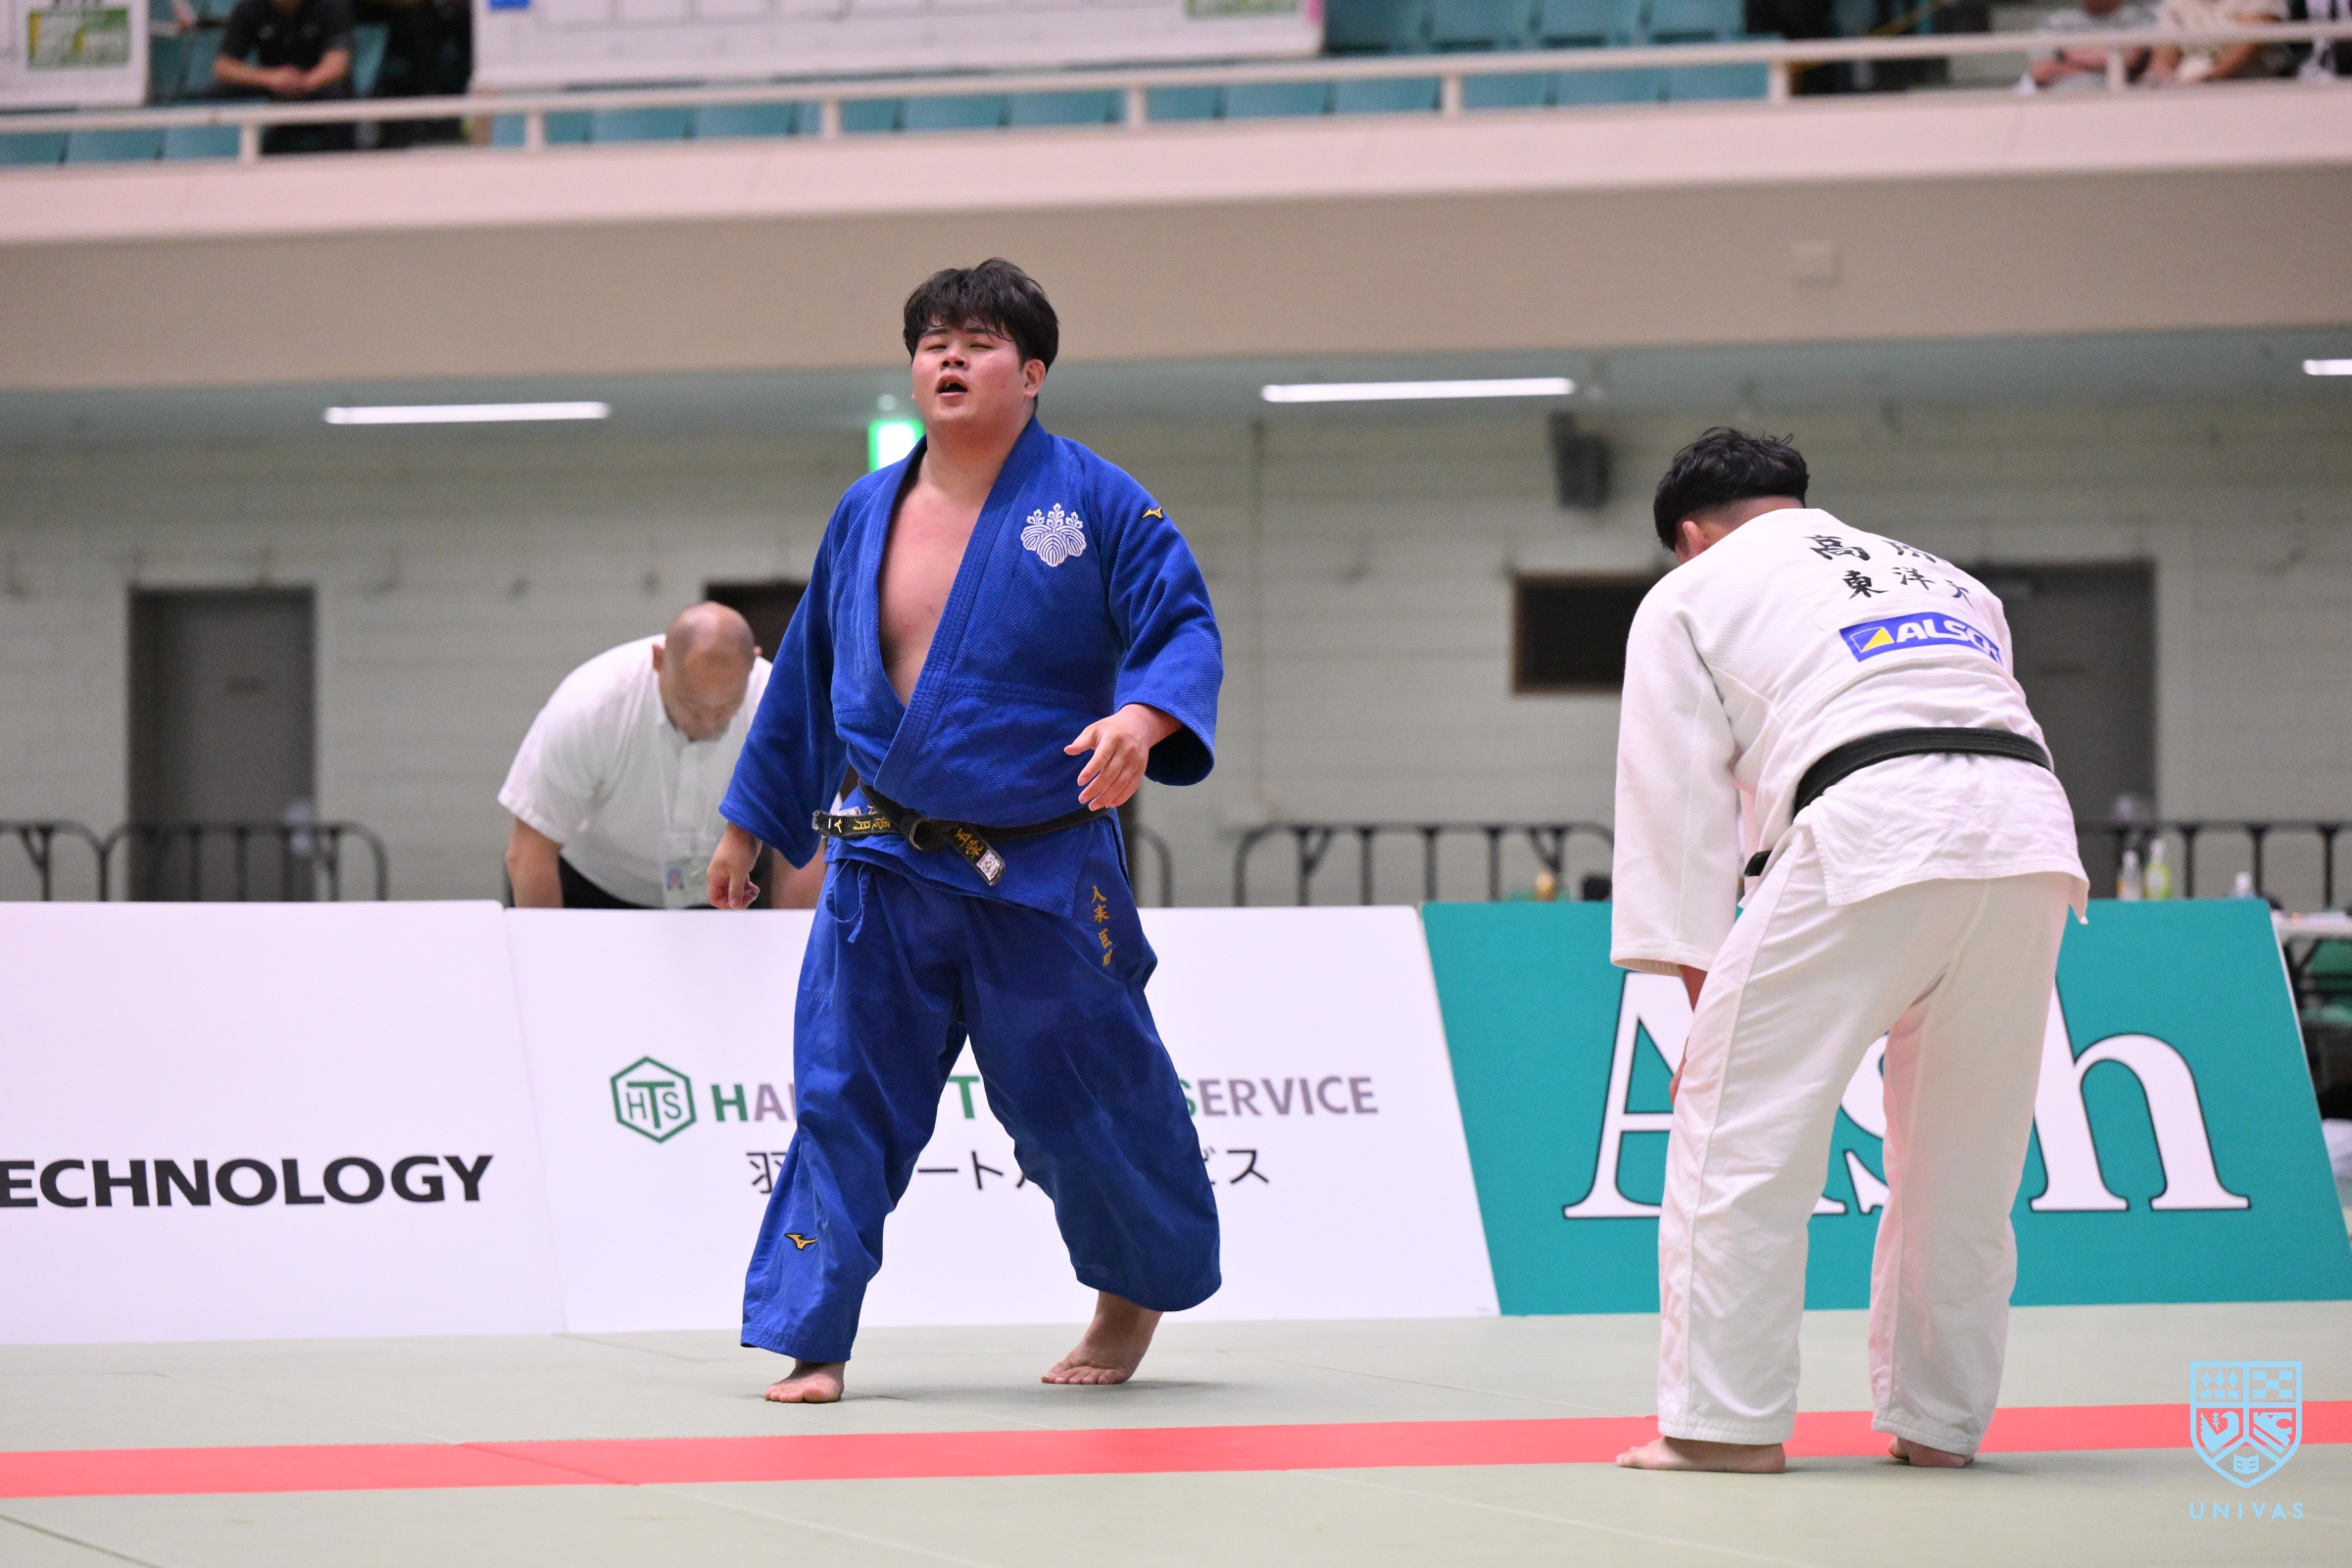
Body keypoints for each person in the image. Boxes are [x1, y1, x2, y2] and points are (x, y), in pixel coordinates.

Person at [709, 259, 1222, 1405]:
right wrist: (749, 824)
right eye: (933, 339)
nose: (949, 355)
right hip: (882, 858)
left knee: (1085, 1092)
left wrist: (1141, 718)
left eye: (979, 341)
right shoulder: (865, 510)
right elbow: (808, 678)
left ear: (1031, 374)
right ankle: (814, 1336)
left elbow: (1181, 625)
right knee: (843, 1091)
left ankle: (1129, 1298)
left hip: (1039, 861)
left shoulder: (1098, 503)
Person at [1609, 429, 2087, 1474]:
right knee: (1964, 1164)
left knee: (1737, 1136)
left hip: (1870, 818)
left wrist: (1707, 1014)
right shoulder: (1951, 581)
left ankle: (1721, 1429)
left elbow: (1678, 818)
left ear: (1689, 535)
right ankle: (1940, 1426)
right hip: (2031, 837)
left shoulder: (1689, 593)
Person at [501, 603, 795, 910]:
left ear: (752, 664)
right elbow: (529, 850)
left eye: (726, 707)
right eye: (693, 706)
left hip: (726, 887)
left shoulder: (780, 708)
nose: (709, 724)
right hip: (593, 886)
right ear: (659, 661)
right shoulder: (592, 707)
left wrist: (801, 940)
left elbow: (803, 854)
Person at [212, 0, 357, 153]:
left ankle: (341, 160)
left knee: (338, 95)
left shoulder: (331, 5)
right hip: (268, 86)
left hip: (315, 86)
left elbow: (338, 63)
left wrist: (303, 83)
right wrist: (270, 78)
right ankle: (220, 158)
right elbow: (223, 66)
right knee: (218, 94)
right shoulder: (249, 8)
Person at [2015, 0, 2154, 92]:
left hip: (2121, 103)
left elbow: (2131, 59)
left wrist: (2068, 55)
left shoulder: (2139, 18)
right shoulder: (2057, 21)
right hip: (2061, 102)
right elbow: (2041, 71)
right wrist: (2108, 60)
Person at [2145, 0, 2289, 82]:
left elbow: (2249, 44)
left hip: (2252, 85)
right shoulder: (2175, 3)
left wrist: (2208, 80)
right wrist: (2169, 82)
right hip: (2187, 86)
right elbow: (2163, 55)